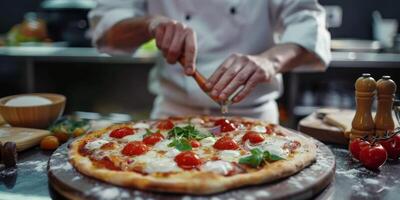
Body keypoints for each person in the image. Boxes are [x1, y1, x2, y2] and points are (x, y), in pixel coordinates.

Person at [89, 0, 331, 123]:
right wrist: (150, 25)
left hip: (254, 119)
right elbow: (107, 29)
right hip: (171, 117)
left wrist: (270, 61)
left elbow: (309, 25)